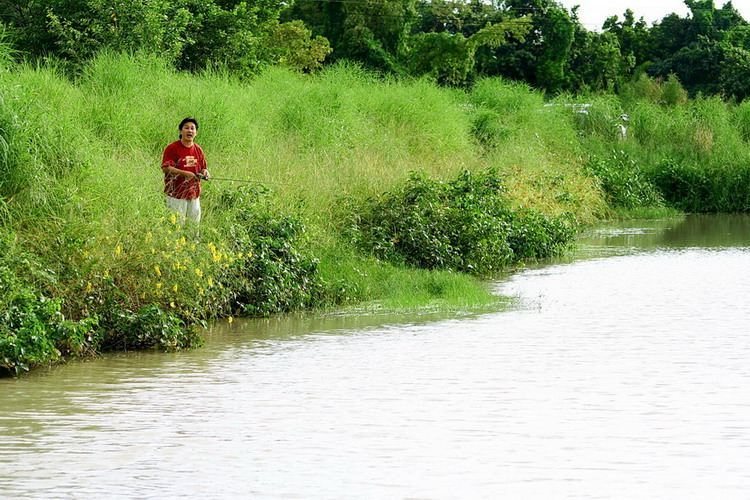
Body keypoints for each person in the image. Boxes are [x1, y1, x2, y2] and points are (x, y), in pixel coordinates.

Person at [161, 117, 210, 224]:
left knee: (194, 226)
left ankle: (193, 241)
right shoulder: (172, 148)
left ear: (196, 133)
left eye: (192, 128)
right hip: (176, 194)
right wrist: (184, 173)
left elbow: (203, 168)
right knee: (176, 226)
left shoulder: (198, 149)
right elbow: (165, 168)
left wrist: (205, 173)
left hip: (193, 194)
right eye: (186, 128)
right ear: (180, 131)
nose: (190, 131)